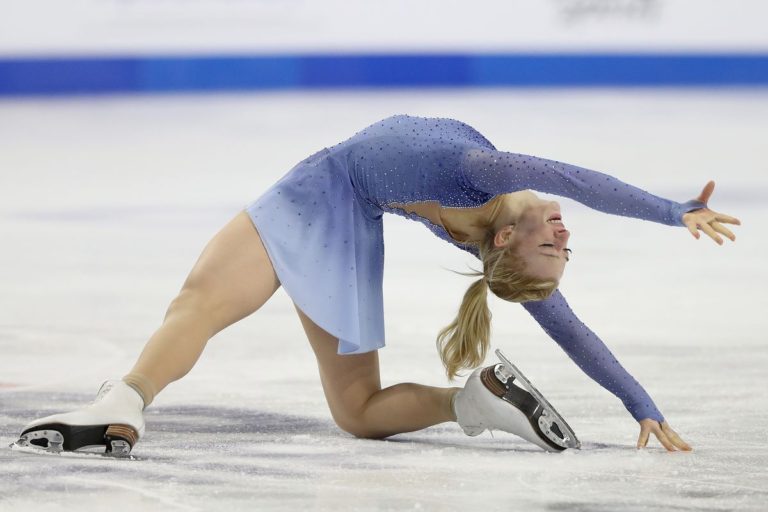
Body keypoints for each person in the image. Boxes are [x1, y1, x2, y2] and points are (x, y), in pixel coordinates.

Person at [15, 114, 740, 455]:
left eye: (554, 247)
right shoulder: (485, 206)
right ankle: (472, 402)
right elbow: (574, 203)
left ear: (510, 243)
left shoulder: (486, 182)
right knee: (358, 411)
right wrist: (671, 212)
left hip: (322, 193)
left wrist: (675, 213)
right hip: (352, 225)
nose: (564, 234)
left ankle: (125, 400)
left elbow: (575, 191)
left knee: (200, 301)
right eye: (564, 245)